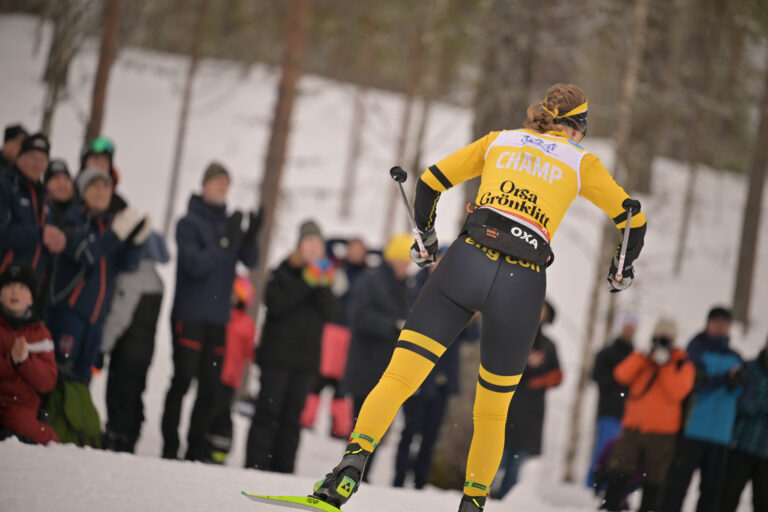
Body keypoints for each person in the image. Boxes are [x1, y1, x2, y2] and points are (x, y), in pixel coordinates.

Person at [310, 83, 647, 512]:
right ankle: (472, 505)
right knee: (491, 413)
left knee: (399, 378)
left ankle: (349, 468)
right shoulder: (581, 161)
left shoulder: (500, 141)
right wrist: (622, 269)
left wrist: (427, 238)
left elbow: (431, 181)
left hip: (467, 261)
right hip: (522, 283)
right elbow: (634, 219)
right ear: (577, 127)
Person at [161, 162, 260, 461]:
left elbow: (251, 260)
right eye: (217, 182)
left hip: (219, 320)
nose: (221, 188)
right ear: (204, 185)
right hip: (189, 316)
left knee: (210, 387)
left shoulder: (227, 224)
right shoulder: (187, 223)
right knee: (182, 381)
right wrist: (224, 243)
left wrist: (251, 235)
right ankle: (169, 446)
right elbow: (194, 266)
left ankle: (195, 447)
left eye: (226, 184)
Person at [245, 220, 340, 473]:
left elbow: (332, 313)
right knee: (268, 411)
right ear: (299, 245)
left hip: (305, 361)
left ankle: (283, 469)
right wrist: (306, 282)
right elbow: (276, 306)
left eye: (318, 244)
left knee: (292, 417)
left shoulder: (324, 279)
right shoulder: (283, 271)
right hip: (277, 357)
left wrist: (320, 284)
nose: (313, 249)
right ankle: (255, 464)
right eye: (309, 243)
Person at [47, 169, 147, 384]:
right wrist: (116, 233)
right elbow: (89, 254)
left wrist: (135, 243)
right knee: (57, 378)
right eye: (95, 186)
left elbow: (127, 265)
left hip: (96, 320)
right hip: (69, 314)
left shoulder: (108, 225)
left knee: (82, 384)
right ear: (83, 190)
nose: (101, 192)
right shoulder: (73, 221)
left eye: (106, 186)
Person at [394, 248, 479, 490]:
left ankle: (420, 482)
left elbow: (471, 336)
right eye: (440, 260)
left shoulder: (463, 293)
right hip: (417, 374)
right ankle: (398, 481)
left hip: (444, 376)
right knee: (409, 431)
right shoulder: (417, 287)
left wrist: (471, 316)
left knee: (431, 436)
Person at [338, 233, 413, 481]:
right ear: (391, 259)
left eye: (407, 261)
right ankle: (348, 472)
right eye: (401, 260)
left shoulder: (408, 287)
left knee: (381, 427)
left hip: (389, 371)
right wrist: (393, 325)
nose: (405, 266)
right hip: (365, 366)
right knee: (360, 427)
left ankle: (362, 475)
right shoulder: (370, 281)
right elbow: (358, 317)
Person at [601, 318, 695, 512]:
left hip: (662, 434)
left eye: (666, 338)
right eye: (659, 337)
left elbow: (677, 392)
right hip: (633, 428)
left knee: (655, 479)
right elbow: (620, 375)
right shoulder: (644, 358)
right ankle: (610, 507)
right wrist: (642, 356)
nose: (661, 341)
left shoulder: (682, 363)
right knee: (619, 470)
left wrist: (666, 364)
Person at [661, 307, 745, 512]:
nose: (720, 327)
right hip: (692, 430)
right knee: (676, 487)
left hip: (721, 436)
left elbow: (745, 392)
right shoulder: (695, 349)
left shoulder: (737, 357)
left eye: (724, 323)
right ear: (707, 323)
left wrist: (739, 381)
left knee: (711, 492)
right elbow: (694, 383)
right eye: (716, 322)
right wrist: (725, 379)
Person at [100, 232, 169, 452]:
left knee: (119, 394)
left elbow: (119, 316)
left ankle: (118, 438)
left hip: (126, 350)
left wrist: (103, 346)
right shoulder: (156, 280)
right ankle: (129, 435)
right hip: (143, 352)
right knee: (134, 393)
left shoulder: (132, 276)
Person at [491, 300, 563, 499]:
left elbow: (558, 376)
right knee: (496, 457)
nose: (540, 314)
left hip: (531, 412)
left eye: (544, 311)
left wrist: (539, 381)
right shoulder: (515, 336)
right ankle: (482, 496)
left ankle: (505, 501)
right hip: (508, 404)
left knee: (516, 463)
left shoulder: (550, 346)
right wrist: (524, 363)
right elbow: (499, 363)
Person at [301, 237, 370, 438]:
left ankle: (340, 427)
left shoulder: (367, 274)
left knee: (342, 383)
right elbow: (328, 244)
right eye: (352, 249)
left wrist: (370, 252)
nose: (356, 253)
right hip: (331, 329)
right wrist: (345, 241)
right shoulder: (335, 267)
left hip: (350, 333)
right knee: (319, 377)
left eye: (360, 250)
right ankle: (306, 417)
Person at [0, 262, 58, 444]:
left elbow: (47, 381)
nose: (14, 292)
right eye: (9, 286)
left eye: (22, 287)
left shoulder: (41, 334)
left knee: (26, 428)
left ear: (31, 298)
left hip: (21, 405)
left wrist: (25, 360)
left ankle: (57, 448)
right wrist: (10, 361)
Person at [0, 133, 66, 282]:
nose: (37, 164)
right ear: (19, 156)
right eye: (32, 157)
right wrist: (40, 234)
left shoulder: (45, 198)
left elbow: (40, 244)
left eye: (42, 160)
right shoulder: (5, 185)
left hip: (26, 292)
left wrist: (55, 244)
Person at [207, 275, 257, 464]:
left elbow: (249, 351)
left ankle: (220, 449)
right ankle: (205, 444)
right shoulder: (220, 315)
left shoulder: (245, 323)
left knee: (222, 411)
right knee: (208, 408)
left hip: (230, 376)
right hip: (212, 372)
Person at [588, 313, 638, 488]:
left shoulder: (637, 357)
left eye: (632, 328)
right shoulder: (607, 353)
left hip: (629, 415)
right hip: (609, 411)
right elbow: (597, 376)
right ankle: (593, 484)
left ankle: (610, 487)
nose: (629, 331)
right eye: (627, 326)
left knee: (621, 455)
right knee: (603, 450)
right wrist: (619, 381)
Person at [719, 336, 768, 512]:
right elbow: (737, 402)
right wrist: (762, 403)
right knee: (726, 500)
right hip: (742, 446)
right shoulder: (749, 368)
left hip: (766, 456)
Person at [44, 159, 75, 225]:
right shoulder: (39, 212)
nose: (62, 184)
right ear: (46, 185)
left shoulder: (82, 212)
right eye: (56, 179)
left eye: (66, 179)